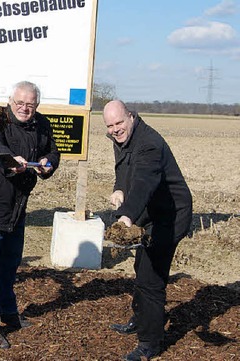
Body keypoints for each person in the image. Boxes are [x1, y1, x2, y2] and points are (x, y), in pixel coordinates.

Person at [0, 81, 60, 349]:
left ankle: (9, 314)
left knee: (9, 268)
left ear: (37, 105)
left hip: (17, 207)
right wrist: (12, 160)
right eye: (20, 103)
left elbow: (52, 150)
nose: (24, 108)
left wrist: (48, 164)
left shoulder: (41, 124)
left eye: (30, 105)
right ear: (11, 101)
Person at [103, 100, 192, 361]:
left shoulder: (149, 144)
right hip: (150, 213)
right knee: (141, 266)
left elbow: (143, 181)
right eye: (110, 126)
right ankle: (141, 319)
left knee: (150, 277)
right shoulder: (122, 138)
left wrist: (126, 217)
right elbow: (124, 169)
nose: (115, 129)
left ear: (131, 117)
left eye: (119, 123)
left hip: (170, 216)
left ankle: (149, 343)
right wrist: (119, 188)